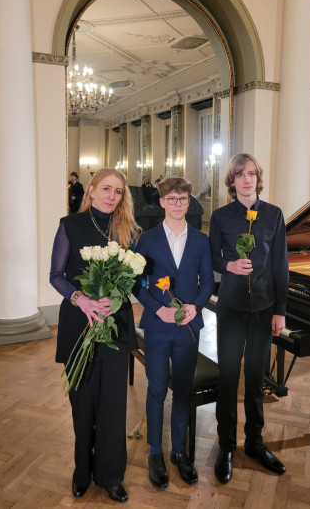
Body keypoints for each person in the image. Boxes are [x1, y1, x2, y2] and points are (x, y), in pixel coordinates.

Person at [50, 168, 140, 503]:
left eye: (118, 192)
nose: (111, 196)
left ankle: (111, 475)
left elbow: (136, 279)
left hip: (116, 326)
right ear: (90, 190)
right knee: (82, 404)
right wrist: (81, 298)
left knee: (114, 405)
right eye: (106, 189)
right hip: (78, 325)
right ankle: (81, 473)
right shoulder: (69, 225)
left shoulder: (128, 230)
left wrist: (119, 296)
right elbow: (56, 275)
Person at [209, 153, 289, 482]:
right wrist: (229, 265)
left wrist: (280, 310)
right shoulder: (221, 216)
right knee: (228, 376)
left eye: (252, 174)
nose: (246, 179)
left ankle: (255, 442)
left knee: (256, 379)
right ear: (232, 181)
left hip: (263, 308)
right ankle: (227, 446)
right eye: (240, 175)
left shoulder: (273, 215)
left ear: (258, 178)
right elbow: (212, 256)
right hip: (229, 306)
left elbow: (280, 264)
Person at [133, 177, 214, 490]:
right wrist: (158, 309)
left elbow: (207, 281)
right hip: (157, 327)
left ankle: (179, 452)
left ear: (189, 201)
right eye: (172, 198)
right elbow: (139, 284)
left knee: (182, 390)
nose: (178, 203)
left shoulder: (201, 240)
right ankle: (155, 451)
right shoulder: (147, 240)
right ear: (162, 202)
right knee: (156, 389)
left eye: (183, 198)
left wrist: (195, 306)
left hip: (188, 329)